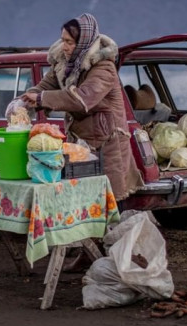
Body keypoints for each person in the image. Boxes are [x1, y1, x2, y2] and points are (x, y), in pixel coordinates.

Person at [21, 12, 144, 201]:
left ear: (84, 42)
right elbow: (46, 85)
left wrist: (40, 98)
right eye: (63, 41)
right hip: (81, 141)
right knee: (82, 197)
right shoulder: (63, 63)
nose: (65, 47)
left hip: (106, 142)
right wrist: (24, 101)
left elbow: (82, 99)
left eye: (70, 42)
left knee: (106, 197)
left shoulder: (104, 67)